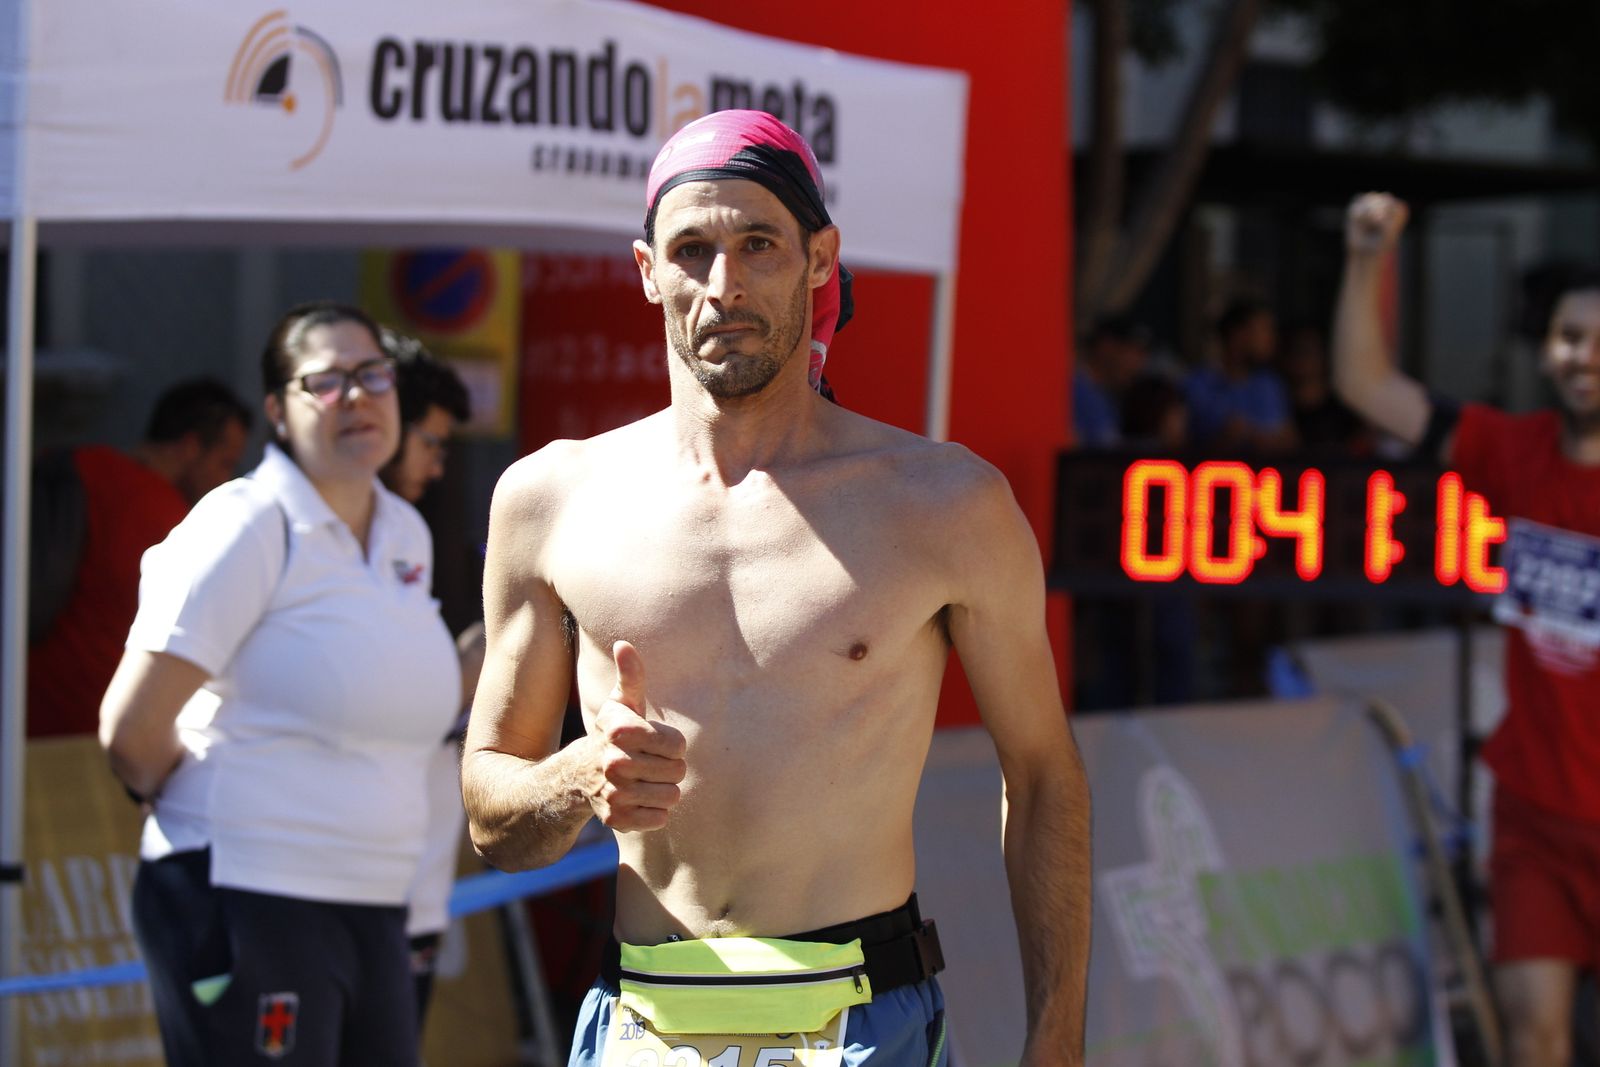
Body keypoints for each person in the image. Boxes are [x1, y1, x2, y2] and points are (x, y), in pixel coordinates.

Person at [460, 110, 1090, 1066]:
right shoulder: (550, 500)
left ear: (819, 258)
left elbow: (1042, 775)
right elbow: (490, 817)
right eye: (692, 250)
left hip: (864, 1024)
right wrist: (579, 777)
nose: (725, 284)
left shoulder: (945, 504)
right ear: (647, 271)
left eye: (758, 243)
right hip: (642, 1022)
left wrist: (1058, 1036)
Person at [99, 302, 461, 1067]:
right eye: (325, 381)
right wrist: (220, 799)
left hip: (377, 900)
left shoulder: (405, 532)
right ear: (277, 411)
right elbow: (131, 732)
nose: (356, 396)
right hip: (245, 889)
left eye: (372, 375)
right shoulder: (246, 522)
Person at [1334, 192, 1600, 1067]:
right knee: (1535, 1034)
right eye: (1569, 337)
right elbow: (1366, 387)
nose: (1584, 357)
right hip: (1535, 816)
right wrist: (1367, 256)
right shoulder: (1512, 450)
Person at [28, 378, 250, 738]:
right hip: (89, 731)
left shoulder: (80, 467)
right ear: (190, 447)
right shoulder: (178, 524)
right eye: (225, 463)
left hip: (36, 716)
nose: (226, 480)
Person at [375, 327, 483, 1026]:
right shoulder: (281, 533)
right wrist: (464, 672)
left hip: (415, 889)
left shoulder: (405, 533)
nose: (439, 466)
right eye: (431, 443)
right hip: (341, 889)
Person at [1186, 297, 1298, 452]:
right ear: (1238, 335)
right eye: (1264, 330)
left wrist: (1251, 434)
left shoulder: (1271, 385)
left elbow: (1288, 440)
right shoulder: (1197, 385)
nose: (1271, 339)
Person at [1073, 315, 1151, 447]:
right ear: (1106, 347)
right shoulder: (1074, 391)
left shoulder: (1108, 397)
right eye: (1132, 352)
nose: (1139, 363)